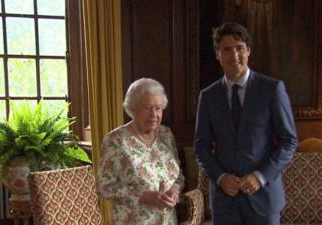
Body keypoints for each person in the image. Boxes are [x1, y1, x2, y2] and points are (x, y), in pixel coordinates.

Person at [194, 22, 298, 225]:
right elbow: (201, 147)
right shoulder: (208, 96)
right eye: (226, 49)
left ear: (248, 51)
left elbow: (289, 141)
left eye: (239, 48)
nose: (234, 56)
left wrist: (260, 176)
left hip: (264, 199)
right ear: (218, 54)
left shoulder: (272, 89)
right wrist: (221, 177)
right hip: (225, 203)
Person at [97, 78, 185, 225]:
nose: (154, 115)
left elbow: (178, 176)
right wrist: (141, 195)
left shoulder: (166, 135)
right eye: (147, 108)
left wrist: (174, 191)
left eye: (158, 108)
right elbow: (104, 186)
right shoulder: (116, 140)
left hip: (168, 220)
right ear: (132, 109)